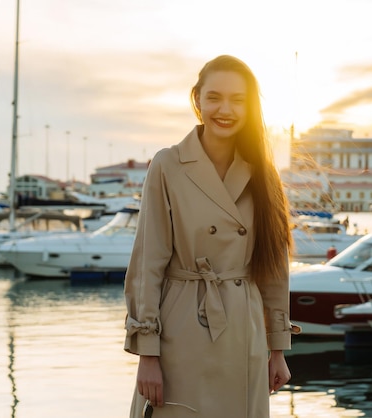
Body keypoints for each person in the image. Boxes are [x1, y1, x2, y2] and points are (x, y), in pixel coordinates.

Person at [123, 55, 300, 418]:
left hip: (243, 331)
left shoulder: (263, 174)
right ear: (197, 99)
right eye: (215, 97)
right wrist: (147, 354)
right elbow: (148, 264)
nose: (225, 109)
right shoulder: (167, 165)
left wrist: (277, 348)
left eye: (238, 100)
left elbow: (274, 269)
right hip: (182, 331)